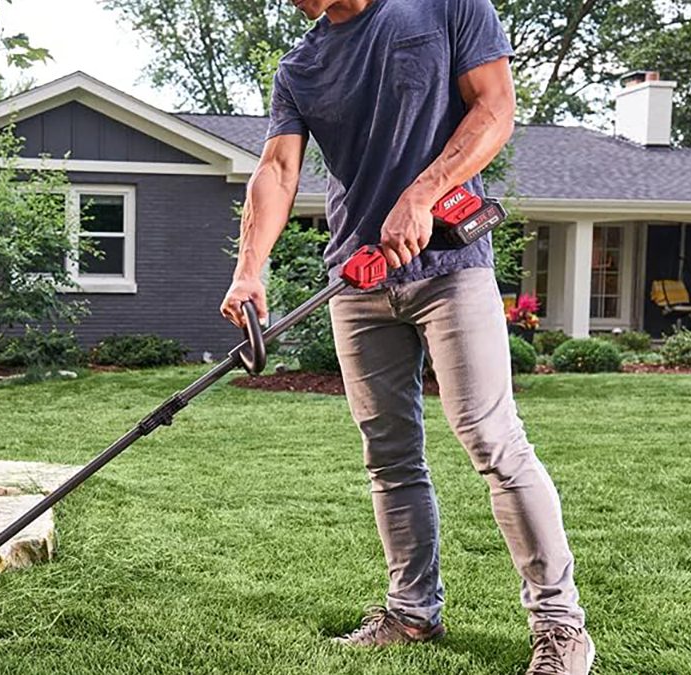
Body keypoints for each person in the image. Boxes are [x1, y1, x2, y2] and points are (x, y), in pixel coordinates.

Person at [219, 1, 592, 673]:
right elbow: (277, 169)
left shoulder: (446, 7)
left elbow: (495, 108)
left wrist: (423, 193)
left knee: (493, 439)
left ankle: (561, 624)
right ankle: (412, 612)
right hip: (357, 280)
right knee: (389, 455)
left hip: (450, 264)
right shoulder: (300, 66)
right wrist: (249, 272)